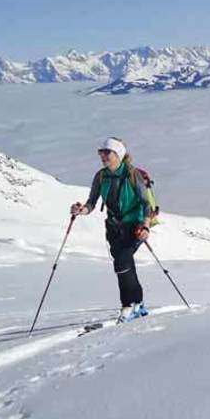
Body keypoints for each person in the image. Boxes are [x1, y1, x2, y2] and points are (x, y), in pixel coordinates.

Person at [70, 137, 154, 323]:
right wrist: (81, 210)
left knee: (122, 263)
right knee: (125, 266)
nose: (103, 156)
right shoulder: (101, 176)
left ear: (118, 154)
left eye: (107, 153)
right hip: (114, 229)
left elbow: (146, 204)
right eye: (101, 153)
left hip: (135, 227)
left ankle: (127, 307)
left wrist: (146, 226)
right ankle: (138, 303)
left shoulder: (133, 175)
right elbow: (92, 202)